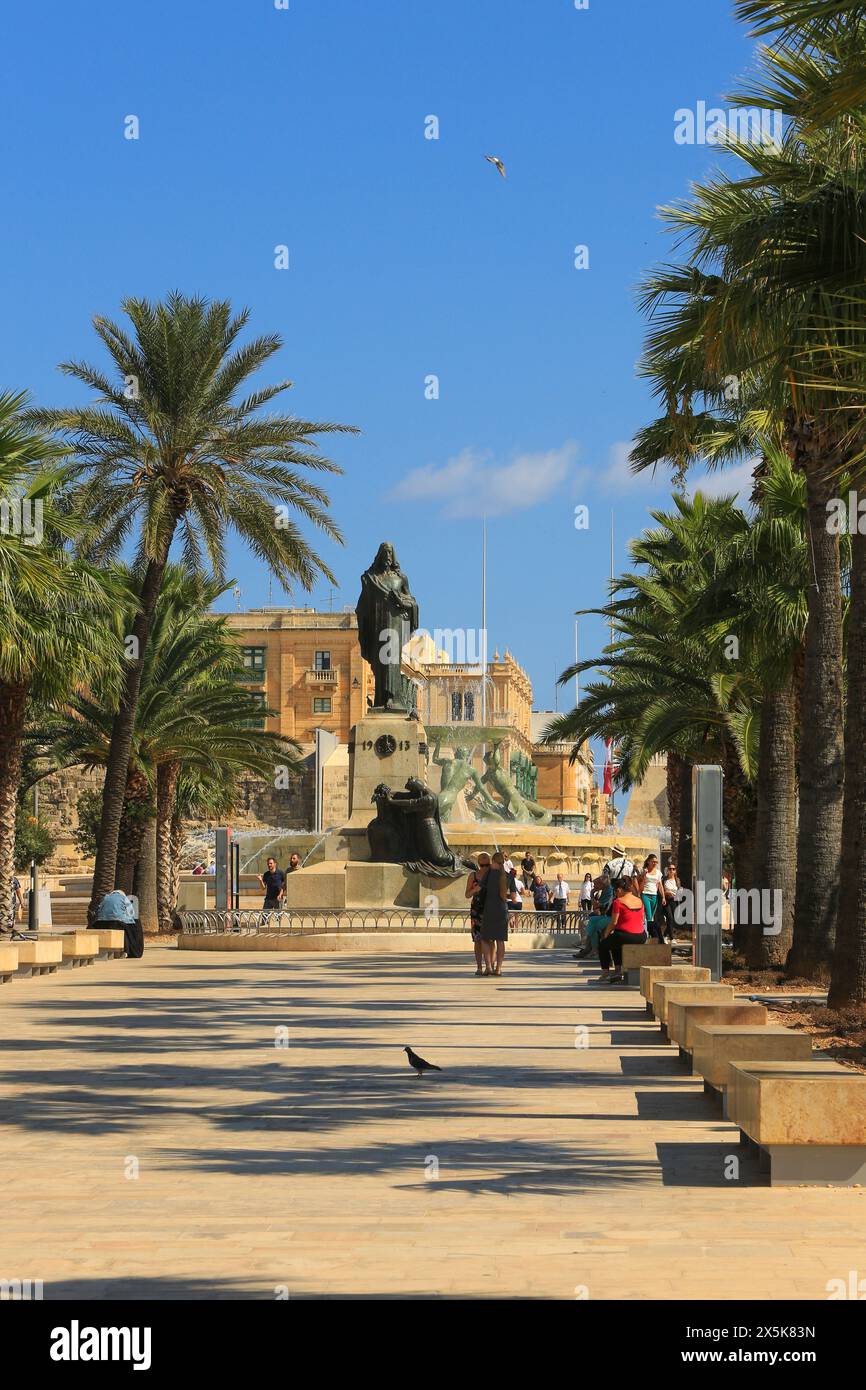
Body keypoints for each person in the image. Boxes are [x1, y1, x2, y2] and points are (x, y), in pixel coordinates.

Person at [598, 875, 648, 982]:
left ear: (619, 890)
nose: (615, 894)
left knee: (603, 945)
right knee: (615, 940)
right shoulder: (639, 900)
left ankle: (606, 972)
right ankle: (617, 970)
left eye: (616, 892)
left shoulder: (618, 902)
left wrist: (605, 934)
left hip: (626, 936)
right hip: (641, 936)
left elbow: (614, 922)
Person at [480, 850, 510, 976]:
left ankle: (488, 967)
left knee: (485, 939)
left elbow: (481, 888)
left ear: (493, 862)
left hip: (489, 909)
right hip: (502, 910)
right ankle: (499, 968)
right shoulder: (507, 875)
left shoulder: (489, 873)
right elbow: (511, 895)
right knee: (500, 941)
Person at [93, 889, 143, 958]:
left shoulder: (105, 897)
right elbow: (131, 913)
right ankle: (129, 950)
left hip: (102, 922)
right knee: (132, 926)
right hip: (118, 923)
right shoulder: (124, 898)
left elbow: (98, 910)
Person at [465, 853, 491, 976]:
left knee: (490, 940)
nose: (485, 868)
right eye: (483, 865)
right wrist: (475, 889)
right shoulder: (473, 876)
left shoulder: (493, 875)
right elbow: (467, 894)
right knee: (477, 940)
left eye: (487, 865)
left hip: (491, 910)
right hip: (477, 910)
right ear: (479, 865)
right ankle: (480, 967)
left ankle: (490, 966)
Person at [638, 854, 664, 943]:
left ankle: (649, 934)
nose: (655, 863)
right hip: (645, 894)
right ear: (648, 861)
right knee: (649, 916)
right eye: (653, 861)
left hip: (654, 895)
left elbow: (660, 885)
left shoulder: (658, 872)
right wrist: (643, 875)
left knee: (652, 916)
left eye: (656, 862)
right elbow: (640, 882)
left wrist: (663, 897)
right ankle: (652, 936)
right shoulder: (644, 871)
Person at [661, 860, 680, 943]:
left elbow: (679, 890)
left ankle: (665, 935)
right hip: (666, 901)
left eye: (673, 869)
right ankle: (672, 938)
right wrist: (667, 893)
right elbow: (660, 890)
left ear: (675, 871)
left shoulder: (677, 880)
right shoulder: (664, 879)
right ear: (667, 870)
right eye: (670, 869)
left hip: (674, 901)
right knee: (670, 918)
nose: (671, 870)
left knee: (672, 920)